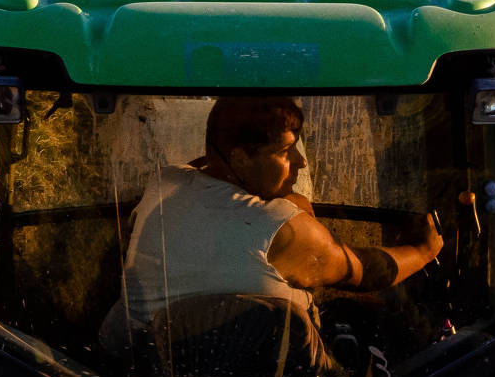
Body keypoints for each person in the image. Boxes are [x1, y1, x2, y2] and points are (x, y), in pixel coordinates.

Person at [121, 97, 442, 333]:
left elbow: (205, 165)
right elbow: (366, 272)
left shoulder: (166, 181)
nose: (301, 163)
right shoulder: (280, 230)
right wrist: (424, 251)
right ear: (240, 159)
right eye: (285, 151)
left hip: (152, 372)